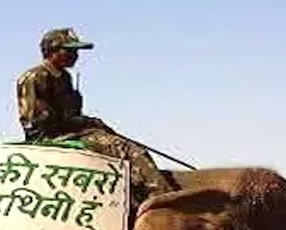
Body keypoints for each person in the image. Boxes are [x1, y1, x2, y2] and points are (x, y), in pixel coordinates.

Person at [16, 28, 174, 197]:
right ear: (52, 51)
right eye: (69, 50)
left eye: (76, 51)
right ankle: (162, 197)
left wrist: (90, 122)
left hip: (71, 131)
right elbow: (37, 122)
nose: (75, 55)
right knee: (124, 149)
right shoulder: (35, 77)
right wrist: (84, 123)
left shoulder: (64, 77)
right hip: (51, 137)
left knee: (123, 144)